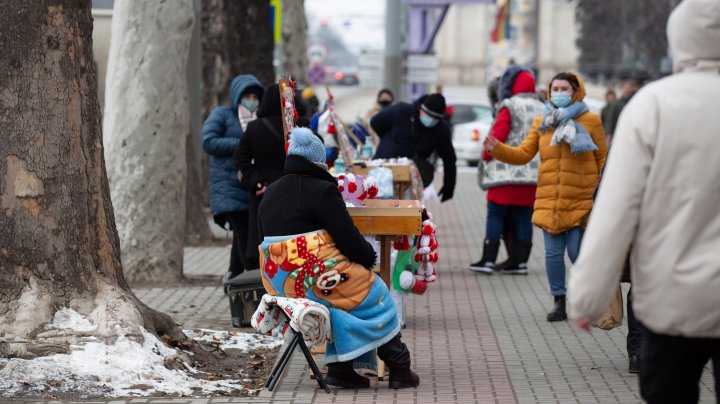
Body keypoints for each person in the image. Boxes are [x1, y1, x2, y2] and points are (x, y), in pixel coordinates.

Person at [569, 1, 720, 402]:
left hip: (673, 298)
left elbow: (615, 211)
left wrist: (588, 297)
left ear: (680, 37)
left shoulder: (653, 105)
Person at [257, 127, 419, 389]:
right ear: (318, 162)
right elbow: (348, 238)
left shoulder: (271, 193)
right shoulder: (322, 191)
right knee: (374, 292)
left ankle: (341, 369)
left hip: (278, 285)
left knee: (340, 299)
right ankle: (399, 366)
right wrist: (368, 259)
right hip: (313, 280)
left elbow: (267, 241)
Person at [483, 71, 607, 321]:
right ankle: (559, 302)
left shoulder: (591, 120)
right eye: (555, 89)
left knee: (576, 252)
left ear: (576, 91)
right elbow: (523, 154)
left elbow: (602, 157)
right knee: (552, 254)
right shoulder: (543, 121)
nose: (559, 93)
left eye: (564, 89)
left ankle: (589, 297)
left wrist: (602, 189)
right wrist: (499, 149)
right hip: (549, 198)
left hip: (581, 198)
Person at [469, 66, 544, 275]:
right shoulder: (542, 106)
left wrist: (486, 157)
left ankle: (488, 260)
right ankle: (519, 262)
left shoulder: (510, 105)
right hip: (531, 175)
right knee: (523, 217)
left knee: (495, 215)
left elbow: (497, 135)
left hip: (504, 172)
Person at [202, 74, 264, 283]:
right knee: (244, 233)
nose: (251, 100)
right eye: (247, 96)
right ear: (237, 96)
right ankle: (252, 279)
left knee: (243, 234)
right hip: (227, 186)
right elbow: (209, 141)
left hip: (249, 186)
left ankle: (233, 277)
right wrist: (243, 145)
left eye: (255, 96)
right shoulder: (222, 115)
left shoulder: (260, 119)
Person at [232, 83, 288, 271]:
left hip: (264, 191)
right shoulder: (298, 125)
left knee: (262, 236)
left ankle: (263, 276)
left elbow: (240, 159)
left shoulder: (255, 127)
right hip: (293, 187)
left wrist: (256, 182)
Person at [370, 93, 457, 201]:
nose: (431, 120)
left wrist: (449, 186)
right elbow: (375, 122)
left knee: (406, 213)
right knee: (379, 208)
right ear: (421, 108)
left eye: (436, 118)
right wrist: (388, 139)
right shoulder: (401, 110)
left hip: (412, 179)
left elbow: (449, 158)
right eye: (429, 115)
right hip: (384, 170)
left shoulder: (441, 129)